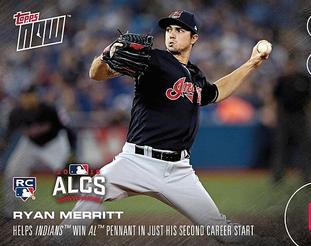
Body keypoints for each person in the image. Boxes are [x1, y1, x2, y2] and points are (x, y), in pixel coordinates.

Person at [62, 10, 271, 243]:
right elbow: (96, 74)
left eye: (179, 30)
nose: (171, 35)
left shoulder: (195, 75)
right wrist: (104, 56)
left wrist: (252, 64)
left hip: (179, 171)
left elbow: (216, 92)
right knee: (94, 190)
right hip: (135, 161)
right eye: (169, 29)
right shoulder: (153, 60)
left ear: (194, 38)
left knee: (219, 227)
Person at [2, 86, 73, 219]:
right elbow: (8, 134)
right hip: (30, 144)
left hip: (54, 143)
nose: (28, 99)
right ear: (21, 98)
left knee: (68, 175)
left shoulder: (47, 109)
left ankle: (95, 209)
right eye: (25, 96)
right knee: (13, 171)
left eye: (31, 95)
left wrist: (71, 150)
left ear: (36, 96)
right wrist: (4, 143)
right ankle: (12, 211)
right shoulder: (16, 113)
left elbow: (65, 129)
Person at [272, 56, 311, 183]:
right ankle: (278, 176)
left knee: (305, 148)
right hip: (284, 116)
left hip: (300, 116)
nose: (289, 67)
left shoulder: (303, 79)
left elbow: (310, 100)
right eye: (287, 65)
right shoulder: (281, 80)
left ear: (295, 65)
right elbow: (274, 99)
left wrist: (310, 117)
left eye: (291, 65)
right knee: (281, 147)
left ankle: (307, 176)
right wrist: (274, 116)